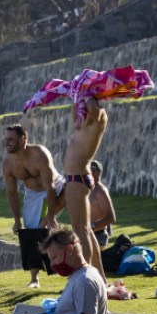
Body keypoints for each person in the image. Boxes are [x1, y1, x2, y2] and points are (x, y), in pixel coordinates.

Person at [3, 124, 63, 288]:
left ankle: (47, 220)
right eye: (6, 139)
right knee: (30, 231)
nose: (7, 143)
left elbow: (50, 186)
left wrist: (50, 216)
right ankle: (34, 278)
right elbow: (12, 193)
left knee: (72, 190)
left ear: (23, 138)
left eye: (11, 139)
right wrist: (16, 219)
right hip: (32, 193)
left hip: (54, 185)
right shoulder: (8, 164)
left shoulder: (39, 154)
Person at [62, 97, 108, 274]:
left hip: (77, 177)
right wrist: (76, 95)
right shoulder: (85, 123)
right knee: (85, 229)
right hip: (77, 176)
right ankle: (99, 276)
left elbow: (91, 110)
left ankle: (86, 275)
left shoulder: (96, 116)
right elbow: (77, 113)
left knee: (79, 229)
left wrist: (85, 91)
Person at [87, 161, 116, 248]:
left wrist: (92, 227)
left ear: (96, 173)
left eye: (89, 171)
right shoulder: (89, 189)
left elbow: (111, 218)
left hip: (98, 236)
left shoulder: (100, 191)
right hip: (89, 234)